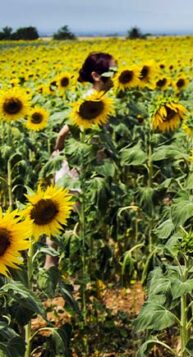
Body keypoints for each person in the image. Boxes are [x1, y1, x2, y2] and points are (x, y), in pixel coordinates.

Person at [46, 52, 117, 269]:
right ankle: (51, 266)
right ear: (96, 75)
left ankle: (67, 268)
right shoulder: (90, 100)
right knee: (60, 221)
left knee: (73, 220)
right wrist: (57, 152)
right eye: (110, 72)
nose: (114, 77)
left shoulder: (101, 100)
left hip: (84, 168)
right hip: (74, 171)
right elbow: (64, 131)